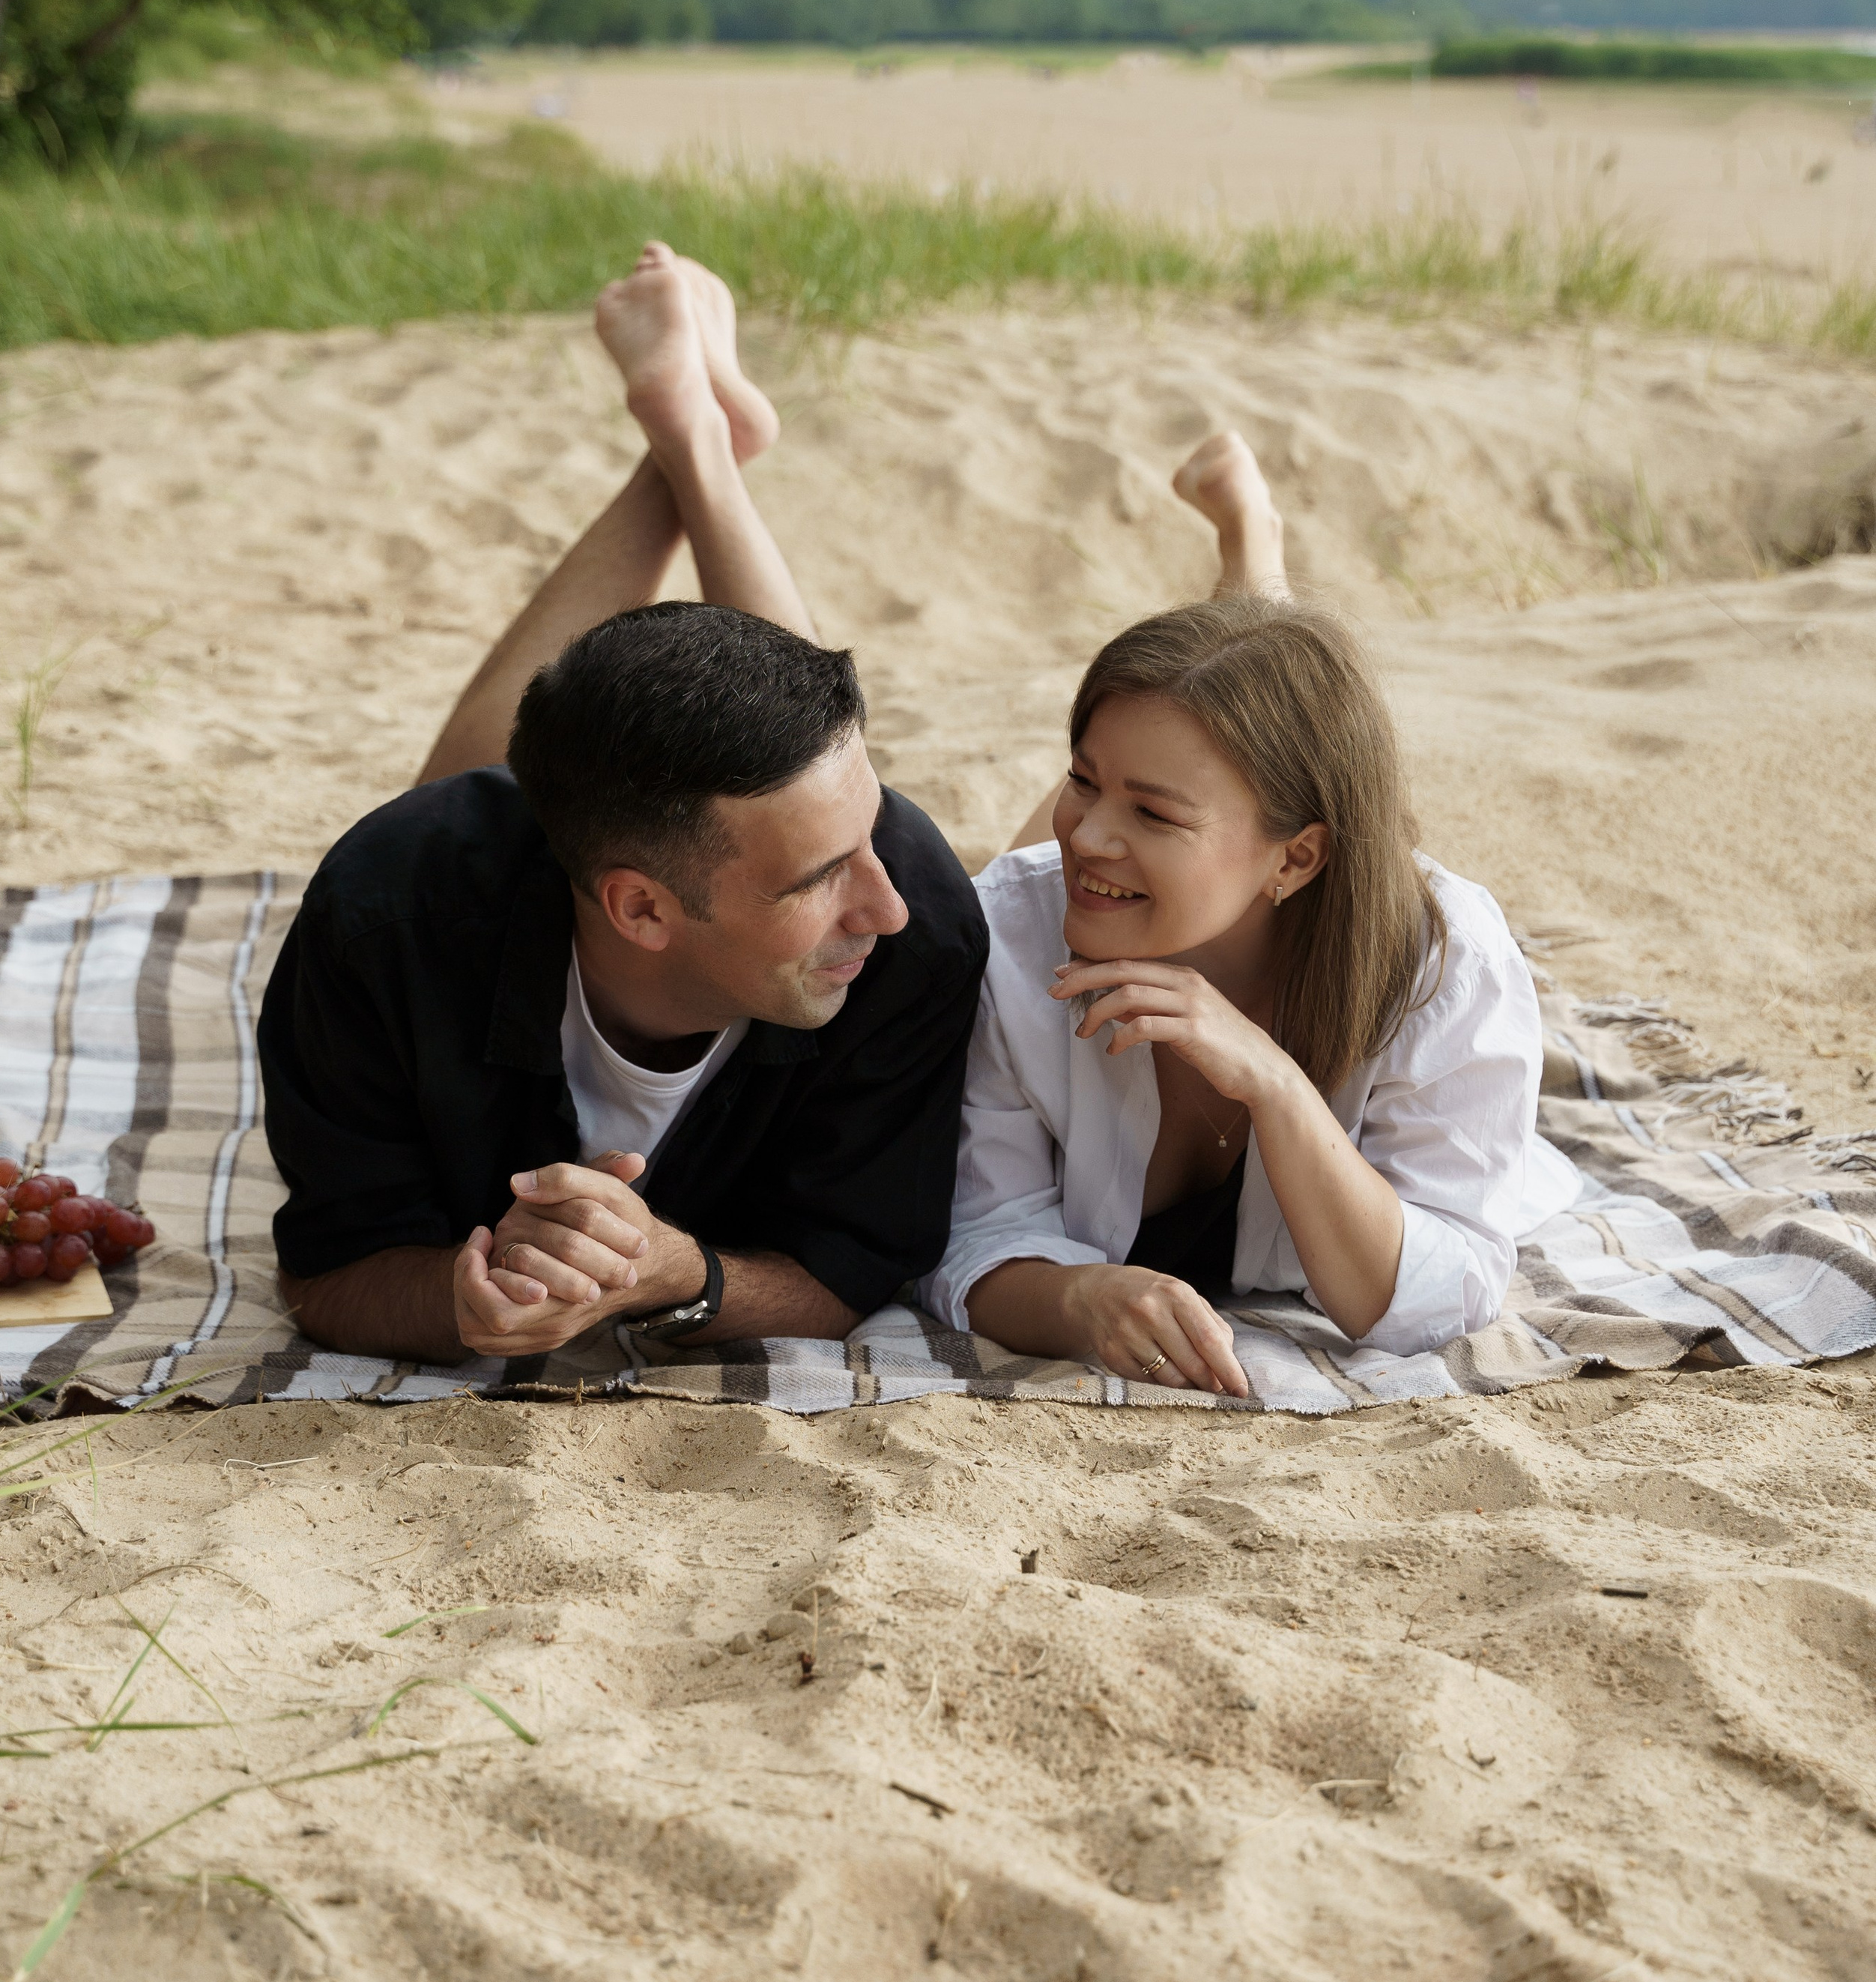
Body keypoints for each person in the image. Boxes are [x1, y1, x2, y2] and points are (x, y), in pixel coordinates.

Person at [260, 244, 987, 1369]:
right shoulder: (384, 917)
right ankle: (692, 445)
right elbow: (328, 1269)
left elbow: (848, 1268)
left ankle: (692, 445)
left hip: (574, 862)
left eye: (867, 844)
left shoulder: (918, 922)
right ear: (643, 912)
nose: (881, 908)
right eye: (819, 881)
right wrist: (463, 1308)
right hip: (466, 886)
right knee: (461, 819)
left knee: (759, 747)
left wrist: (683, 1281)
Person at [917, 431, 1582, 1394]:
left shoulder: (1446, 960)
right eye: (1076, 778)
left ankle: (1252, 557)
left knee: (1246, 745)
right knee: (1029, 875)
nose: (1086, 832)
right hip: (1168, 876)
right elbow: (968, 1235)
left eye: (1153, 810)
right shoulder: (1005, 944)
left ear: (1297, 858)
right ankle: (1250, 571)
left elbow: (1442, 1291)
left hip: (1311, 885)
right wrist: (1078, 1298)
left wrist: (1274, 1085)